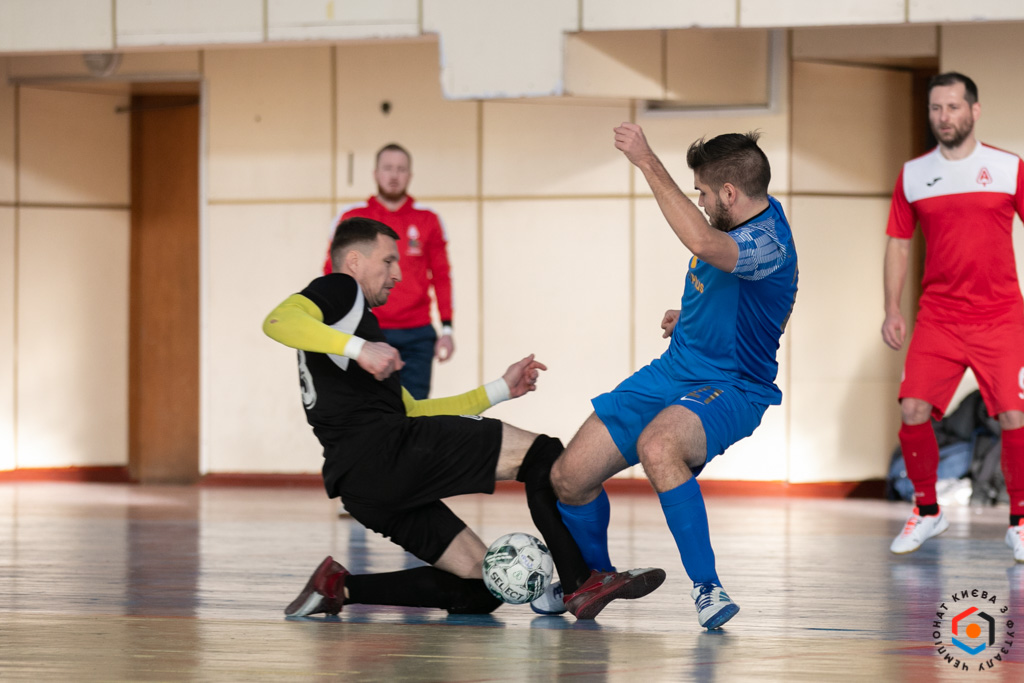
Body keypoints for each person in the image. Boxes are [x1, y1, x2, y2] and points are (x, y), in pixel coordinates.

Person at [267, 216, 665, 618]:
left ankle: (339, 587)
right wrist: (360, 349)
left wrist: (500, 389)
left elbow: (413, 411)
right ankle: (580, 582)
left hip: (360, 482)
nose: (397, 274)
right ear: (354, 260)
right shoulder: (341, 288)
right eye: (388, 261)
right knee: (543, 455)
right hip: (389, 450)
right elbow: (278, 320)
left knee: (482, 589)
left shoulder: (346, 329)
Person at [551, 124, 798, 630]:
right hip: (674, 369)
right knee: (569, 478)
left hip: (733, 387)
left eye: (703, 193)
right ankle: (595, 577)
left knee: (659, 447)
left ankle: (707, 586)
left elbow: (705, 244)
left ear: (729, 193)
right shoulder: (740, 223)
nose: (701, 202)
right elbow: (740, 296)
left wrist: (646, 160)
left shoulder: (768, 242)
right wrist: (690, 318)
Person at [882, 72, 1024, 561]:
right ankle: (927, 510)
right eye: (936, 108)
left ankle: (1020, 521)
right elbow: (899, 245)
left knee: (1013, 415)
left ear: (974, 111)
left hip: (1000, 317)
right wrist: (892, 309)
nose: (944, 117)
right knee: (912, 410)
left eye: (953, 107)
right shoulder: (913, 174)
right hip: (939, 317)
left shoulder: (1008, 168)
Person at [323, 143, 453, 400]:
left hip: (417, 336)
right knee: (368, 410)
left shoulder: (429, 220)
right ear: (375, 173)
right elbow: (333, 275)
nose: (394, 175)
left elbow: (442, 276)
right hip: (365, 331)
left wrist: (447, 329)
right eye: (388, 168)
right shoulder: (352, 218)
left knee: (413, 413)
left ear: (410, 175)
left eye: (401, 169)